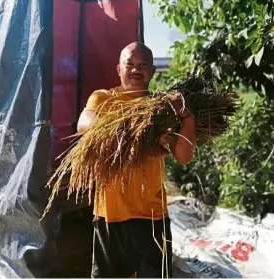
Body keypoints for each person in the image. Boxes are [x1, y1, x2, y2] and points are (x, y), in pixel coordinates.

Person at [77, 41, 196, 278]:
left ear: (152, 71)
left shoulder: (162, 109)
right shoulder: (103, 99)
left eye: (143, 64)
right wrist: (132, 126)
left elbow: (184, 157)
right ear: (118, 69)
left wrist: (187, 116)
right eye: (129, 64)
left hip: (151, 217)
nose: (135, 69)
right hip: (110, 213)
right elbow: (84, 125)